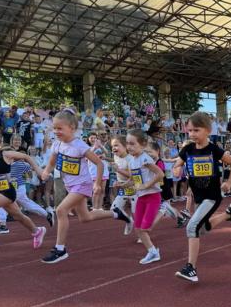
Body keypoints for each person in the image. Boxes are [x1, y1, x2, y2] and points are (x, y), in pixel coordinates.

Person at [39, 109, 131, 264]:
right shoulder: (57, 144)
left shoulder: (80, 146)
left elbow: (99, 163)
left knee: (61, 210)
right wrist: (46, 171)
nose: (56, 131)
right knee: (85, 217)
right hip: (70, 185)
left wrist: (97, 183)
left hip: (82, 184)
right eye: (54, 128)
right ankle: (116, 213)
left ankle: (60, 249)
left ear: (72, 128)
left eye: (60, 128)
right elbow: (53, 159)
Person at [172, 111, 231, 282]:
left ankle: (191, 269)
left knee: (191, 227)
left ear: (208, 130)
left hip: (212, 196)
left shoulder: (214, 149)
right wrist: (177, 169)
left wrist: (229, 183)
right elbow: (177, 165)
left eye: (196, 130)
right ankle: (229, 215)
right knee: (202, 228)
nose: (192, 134)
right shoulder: (187, 149)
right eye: (190, 131)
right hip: (198, 197)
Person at [0, 147, 54, 234]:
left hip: (17, 188)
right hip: (14, 187)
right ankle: (47, 214)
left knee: (2, 203)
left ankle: (3, 225)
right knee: (26, 204)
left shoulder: (17, 164)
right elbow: (29, 172)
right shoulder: (18, 164)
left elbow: (29, 172)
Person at [125, 130, 165, 264]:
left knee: (145, 229)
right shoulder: (131, 160)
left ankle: (153, 252)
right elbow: (134, 180)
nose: (129, 147)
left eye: (132, 144)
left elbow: (160, 174)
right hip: (141, 197)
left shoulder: (145, 158)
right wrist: (122, 185)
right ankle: (153, 252)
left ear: (142, 145)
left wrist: (147, 185)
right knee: (138, 229)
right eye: (127, 144)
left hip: (153, 196)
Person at [109, 135, 137, 235]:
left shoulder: (131, 159)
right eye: (112, 146)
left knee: (136, 213)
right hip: (123, 188)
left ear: (125, 146)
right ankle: (128, 221)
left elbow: (132, 175)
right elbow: (116, 163)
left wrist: (118, 170)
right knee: (114, 209)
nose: (114, 148)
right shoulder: (115, 156)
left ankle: (142, 235)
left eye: (116, 145)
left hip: (134, 188)